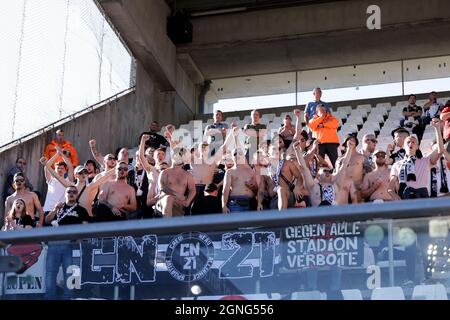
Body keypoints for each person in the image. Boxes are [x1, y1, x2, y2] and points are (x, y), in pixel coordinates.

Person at [44, 186, 89, 300]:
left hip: (71, 244)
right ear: (65, 194)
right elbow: (47, 220)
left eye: (74, 192)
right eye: (69, 192)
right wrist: (55, 209)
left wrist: (78, 238)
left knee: (70, 273)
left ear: (77, 195)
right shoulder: (59, 207)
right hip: (55, 242)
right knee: (50, 273)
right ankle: (50, 297)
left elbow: (86, 228)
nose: (71, 194)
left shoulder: (81, 210)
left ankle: (69, 297)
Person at [388, 119, 443, 200]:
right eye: (408, 142)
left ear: (417, 147)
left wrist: (437, 129)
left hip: (422, 197)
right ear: (403, 146)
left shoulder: (425, 161)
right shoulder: (397, 165)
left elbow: (440, 150)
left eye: (413, 142)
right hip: (404, 197)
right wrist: (396, 197)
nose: (411, 144)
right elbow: (390, 188)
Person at [294, 138, 355, 206]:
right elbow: (304, 168)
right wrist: (297, 150)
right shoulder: (313, 186)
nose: (327, 172)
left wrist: (349, 149)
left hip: (332, 214)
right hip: (318, 214)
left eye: (329, 171)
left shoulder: (336, 185)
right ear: (318, 176)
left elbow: (343, 167)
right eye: (325, 171)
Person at [156, 147, 196, 217]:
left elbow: (192, 190)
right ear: (172, 156)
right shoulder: (165, 172)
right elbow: (163, 188)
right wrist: (177, 195)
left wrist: (188, 201)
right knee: (169, 198)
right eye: (177, 155)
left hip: (178, 203)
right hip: (164, 200)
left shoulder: (187, 175)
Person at [267, 142, 306, 210]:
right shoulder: (266, 170)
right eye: (274, 149)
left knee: (281, 189)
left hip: (288, 196)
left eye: (278, 149)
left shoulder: (288, 163)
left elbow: (299, 177)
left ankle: (282, 218)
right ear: (268, 154)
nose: (277, 151)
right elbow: (263, 190)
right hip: (274, 200)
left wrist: (297, 187)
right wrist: (259, 202)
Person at [40, 147, 74, 221]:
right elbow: (46, 166)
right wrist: (57, 154)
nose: (60, 170)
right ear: (54, 170)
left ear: (65, 171)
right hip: (49, 210)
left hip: (63, 211)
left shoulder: (68, 181)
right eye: (58, 168)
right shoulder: (51, 180)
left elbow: (70, 166)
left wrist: (61, 154)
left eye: (62, 168)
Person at [222, 145, 257, 213]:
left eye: (240, 153)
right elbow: (225, 189)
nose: (237, 155)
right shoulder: (230, 171)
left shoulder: (250, 171)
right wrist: (224, 206)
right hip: (236, 203)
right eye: (235, 154)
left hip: (251, 203)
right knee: (237, 224)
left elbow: (257, 189)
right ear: (232, 157)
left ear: (243, 156)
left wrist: (252, 186)